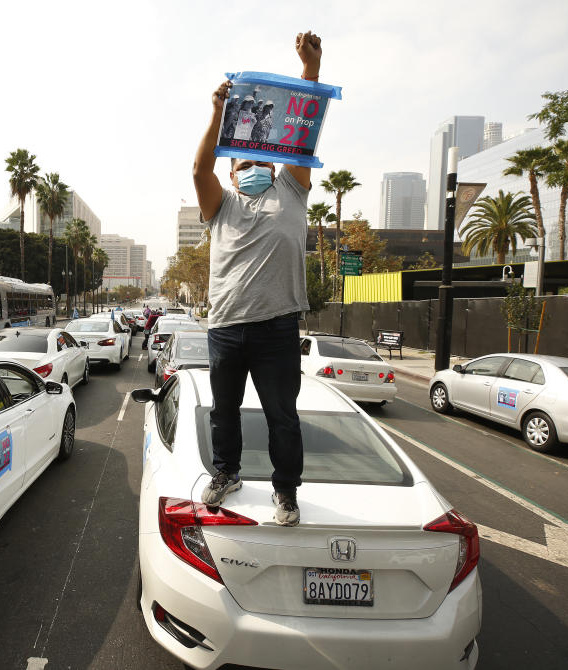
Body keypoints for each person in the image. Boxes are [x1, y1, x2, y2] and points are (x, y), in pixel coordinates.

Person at [192, 31, 322, 527]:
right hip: (225, 329)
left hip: (277, 329)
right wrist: (216, 114)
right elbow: (198, 165)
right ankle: (226, 473)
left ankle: (285, 492)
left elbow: (302, 133)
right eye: (244, 163)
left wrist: (309, 73)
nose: (253, 168)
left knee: (282, 419)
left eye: (260, 161)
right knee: (225, 415)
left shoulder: (291, 189)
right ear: (232, 172)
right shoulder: (219, 206)